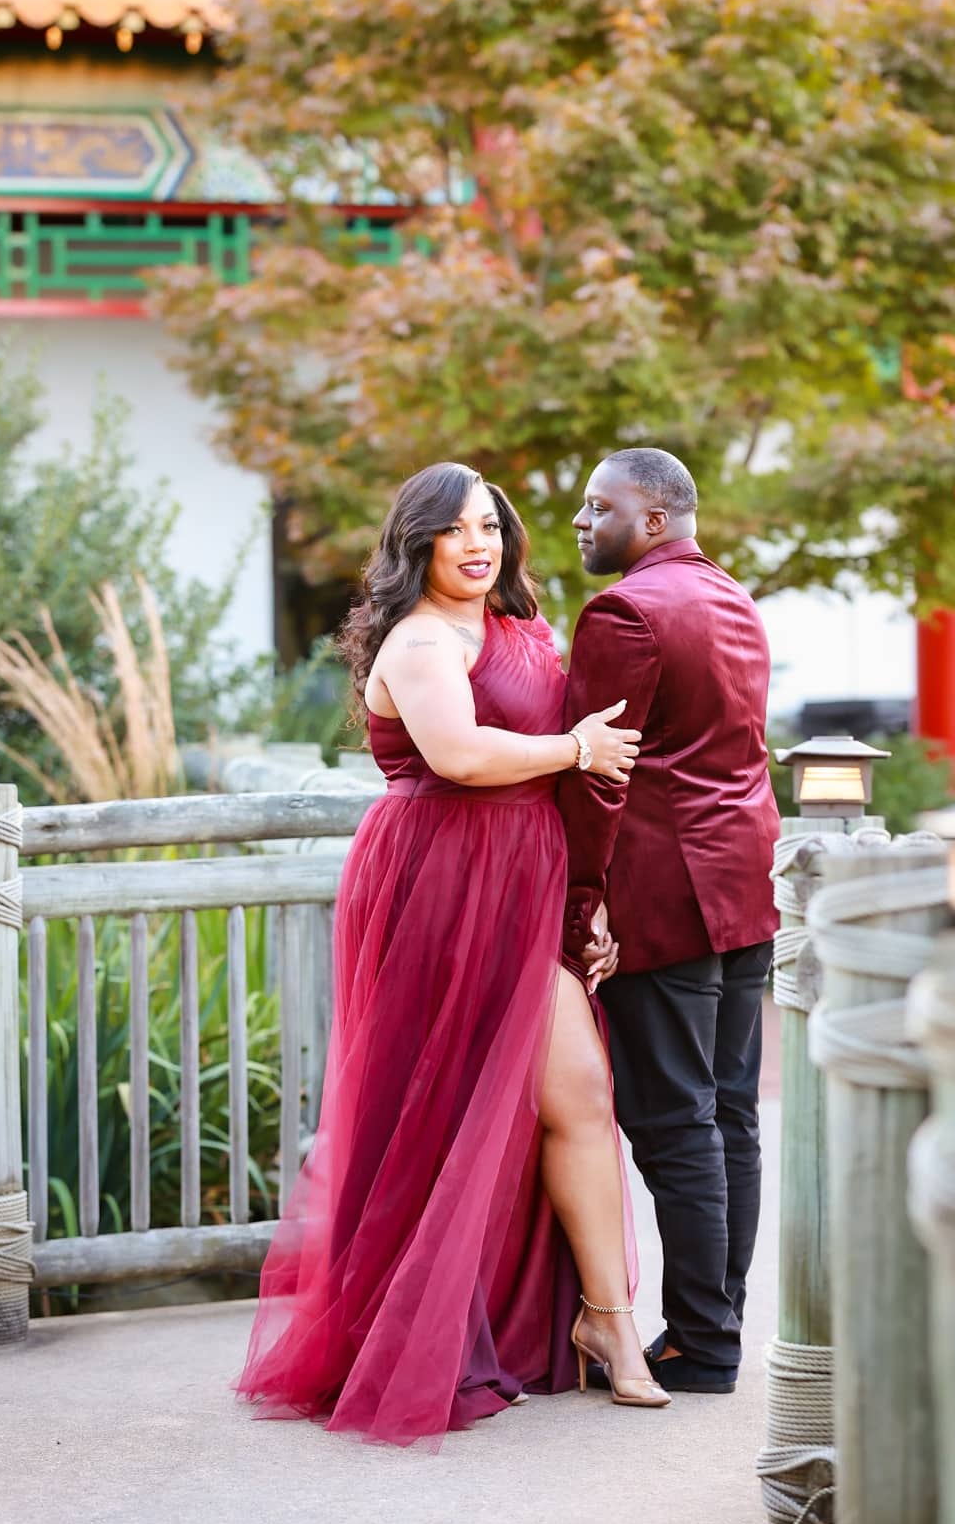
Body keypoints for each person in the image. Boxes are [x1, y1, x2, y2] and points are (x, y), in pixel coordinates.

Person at [236, 462, 670, 1444]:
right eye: (457, 531)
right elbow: (463, 755)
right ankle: (402, 1327)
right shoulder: (420, 640)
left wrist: (584, 907)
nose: (480, 546)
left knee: (579, 1097)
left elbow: (570, 773)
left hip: (526, 880)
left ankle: (610, 1324)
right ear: (418, 544)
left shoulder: (523, 631)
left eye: (492, 528)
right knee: (426, 1110)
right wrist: (573, 751)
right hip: (434, 885)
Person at [559, 448, 780, 1396]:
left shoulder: (624, 611)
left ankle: (703, 1340)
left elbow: (599, 772)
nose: (580, 520)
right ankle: (713, 1330)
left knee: (674, 1120)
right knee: (729, 1111)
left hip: (667, 893)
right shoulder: (733, 596)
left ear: (651, 521)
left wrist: (579, 900)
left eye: (599, 506)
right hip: (744, 883)